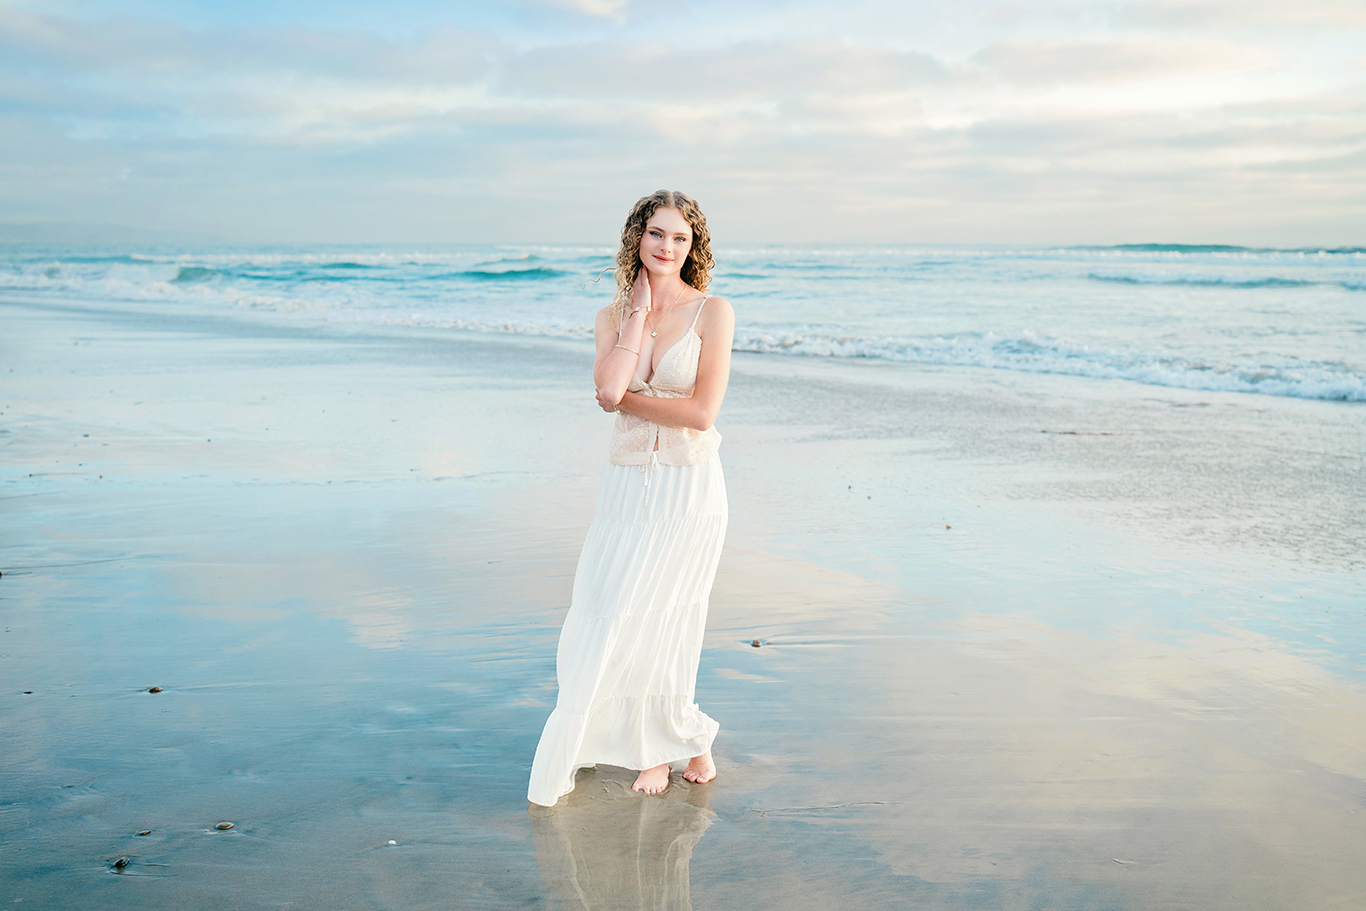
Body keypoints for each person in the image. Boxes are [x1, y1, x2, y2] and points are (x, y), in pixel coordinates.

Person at [527, 190, 735, 806]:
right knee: (613, 606)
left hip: (688, 486)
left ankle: (659, 749)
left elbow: (700, 414)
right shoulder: (612, 317)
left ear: (692, 247)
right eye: (656, 234)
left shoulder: (714, 313)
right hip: (626, 488)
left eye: (679, 237)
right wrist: (639, 317)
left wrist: (625, 403)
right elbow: (608, 386)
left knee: (668, 613)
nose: (666, 247)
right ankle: (689, 739)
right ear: (636, 240)